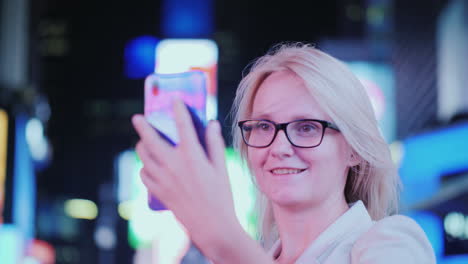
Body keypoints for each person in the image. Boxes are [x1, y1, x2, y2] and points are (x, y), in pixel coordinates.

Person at [132, 42, 436, 263]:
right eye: (263, 126)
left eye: (306, 128)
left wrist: (224, 239)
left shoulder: (391, 243)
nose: (279, 147)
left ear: (354, 149)